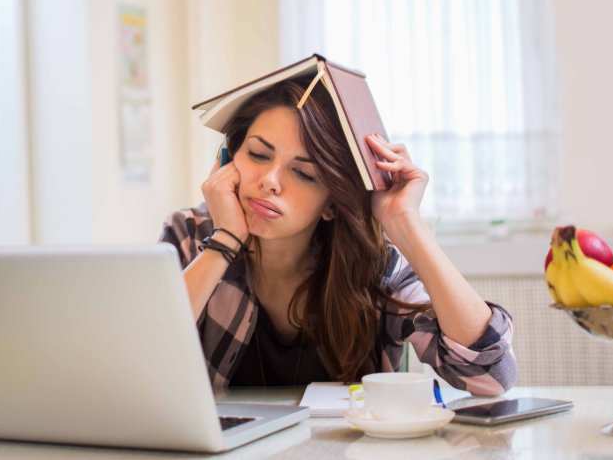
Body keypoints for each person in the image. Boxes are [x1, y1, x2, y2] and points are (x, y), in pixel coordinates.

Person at [160, 74, 516, 395]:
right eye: (257, 154)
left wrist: (406, 222)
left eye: (304, 174)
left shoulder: (374, 265)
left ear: (331, 203)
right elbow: (139, 357)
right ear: (226, 161)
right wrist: (223, 243)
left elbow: (490, 377)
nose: (269, 181)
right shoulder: (190, 235)